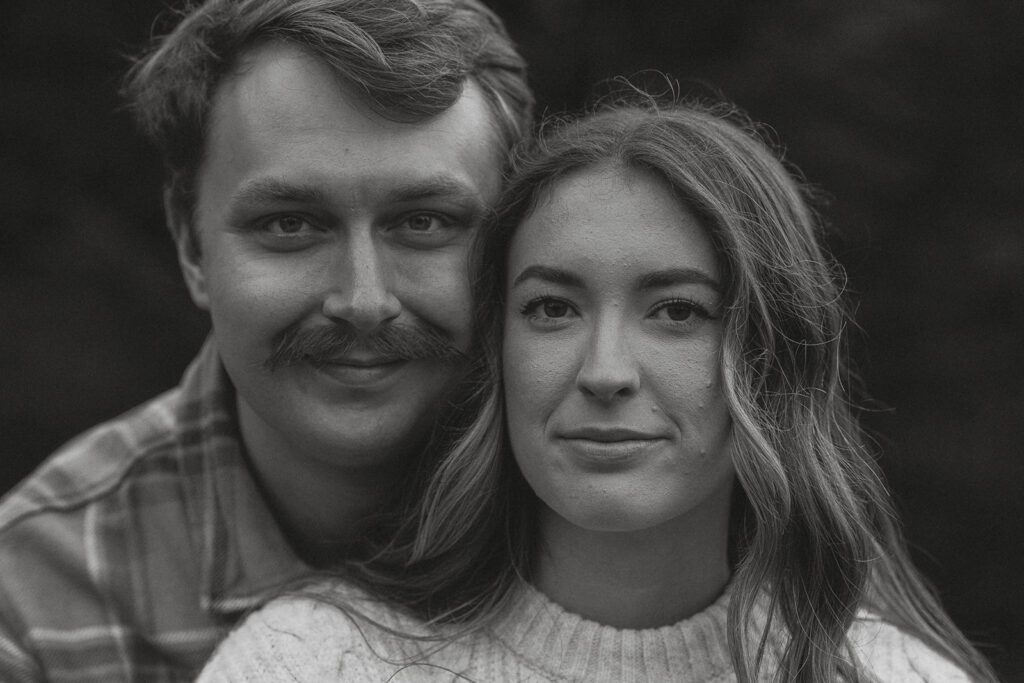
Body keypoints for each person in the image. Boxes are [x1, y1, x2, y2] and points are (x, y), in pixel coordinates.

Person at [198, 94, 998, 681]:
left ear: (770, 355)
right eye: (552, 308)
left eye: (677, 311)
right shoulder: (310, 663)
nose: (605, 371)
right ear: (496, 349)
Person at [0, 0, 532, 680]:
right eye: (290, 225)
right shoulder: (34, 606)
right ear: (191, 243)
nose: (363, 300)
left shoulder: (635, 526)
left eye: (423, 222)